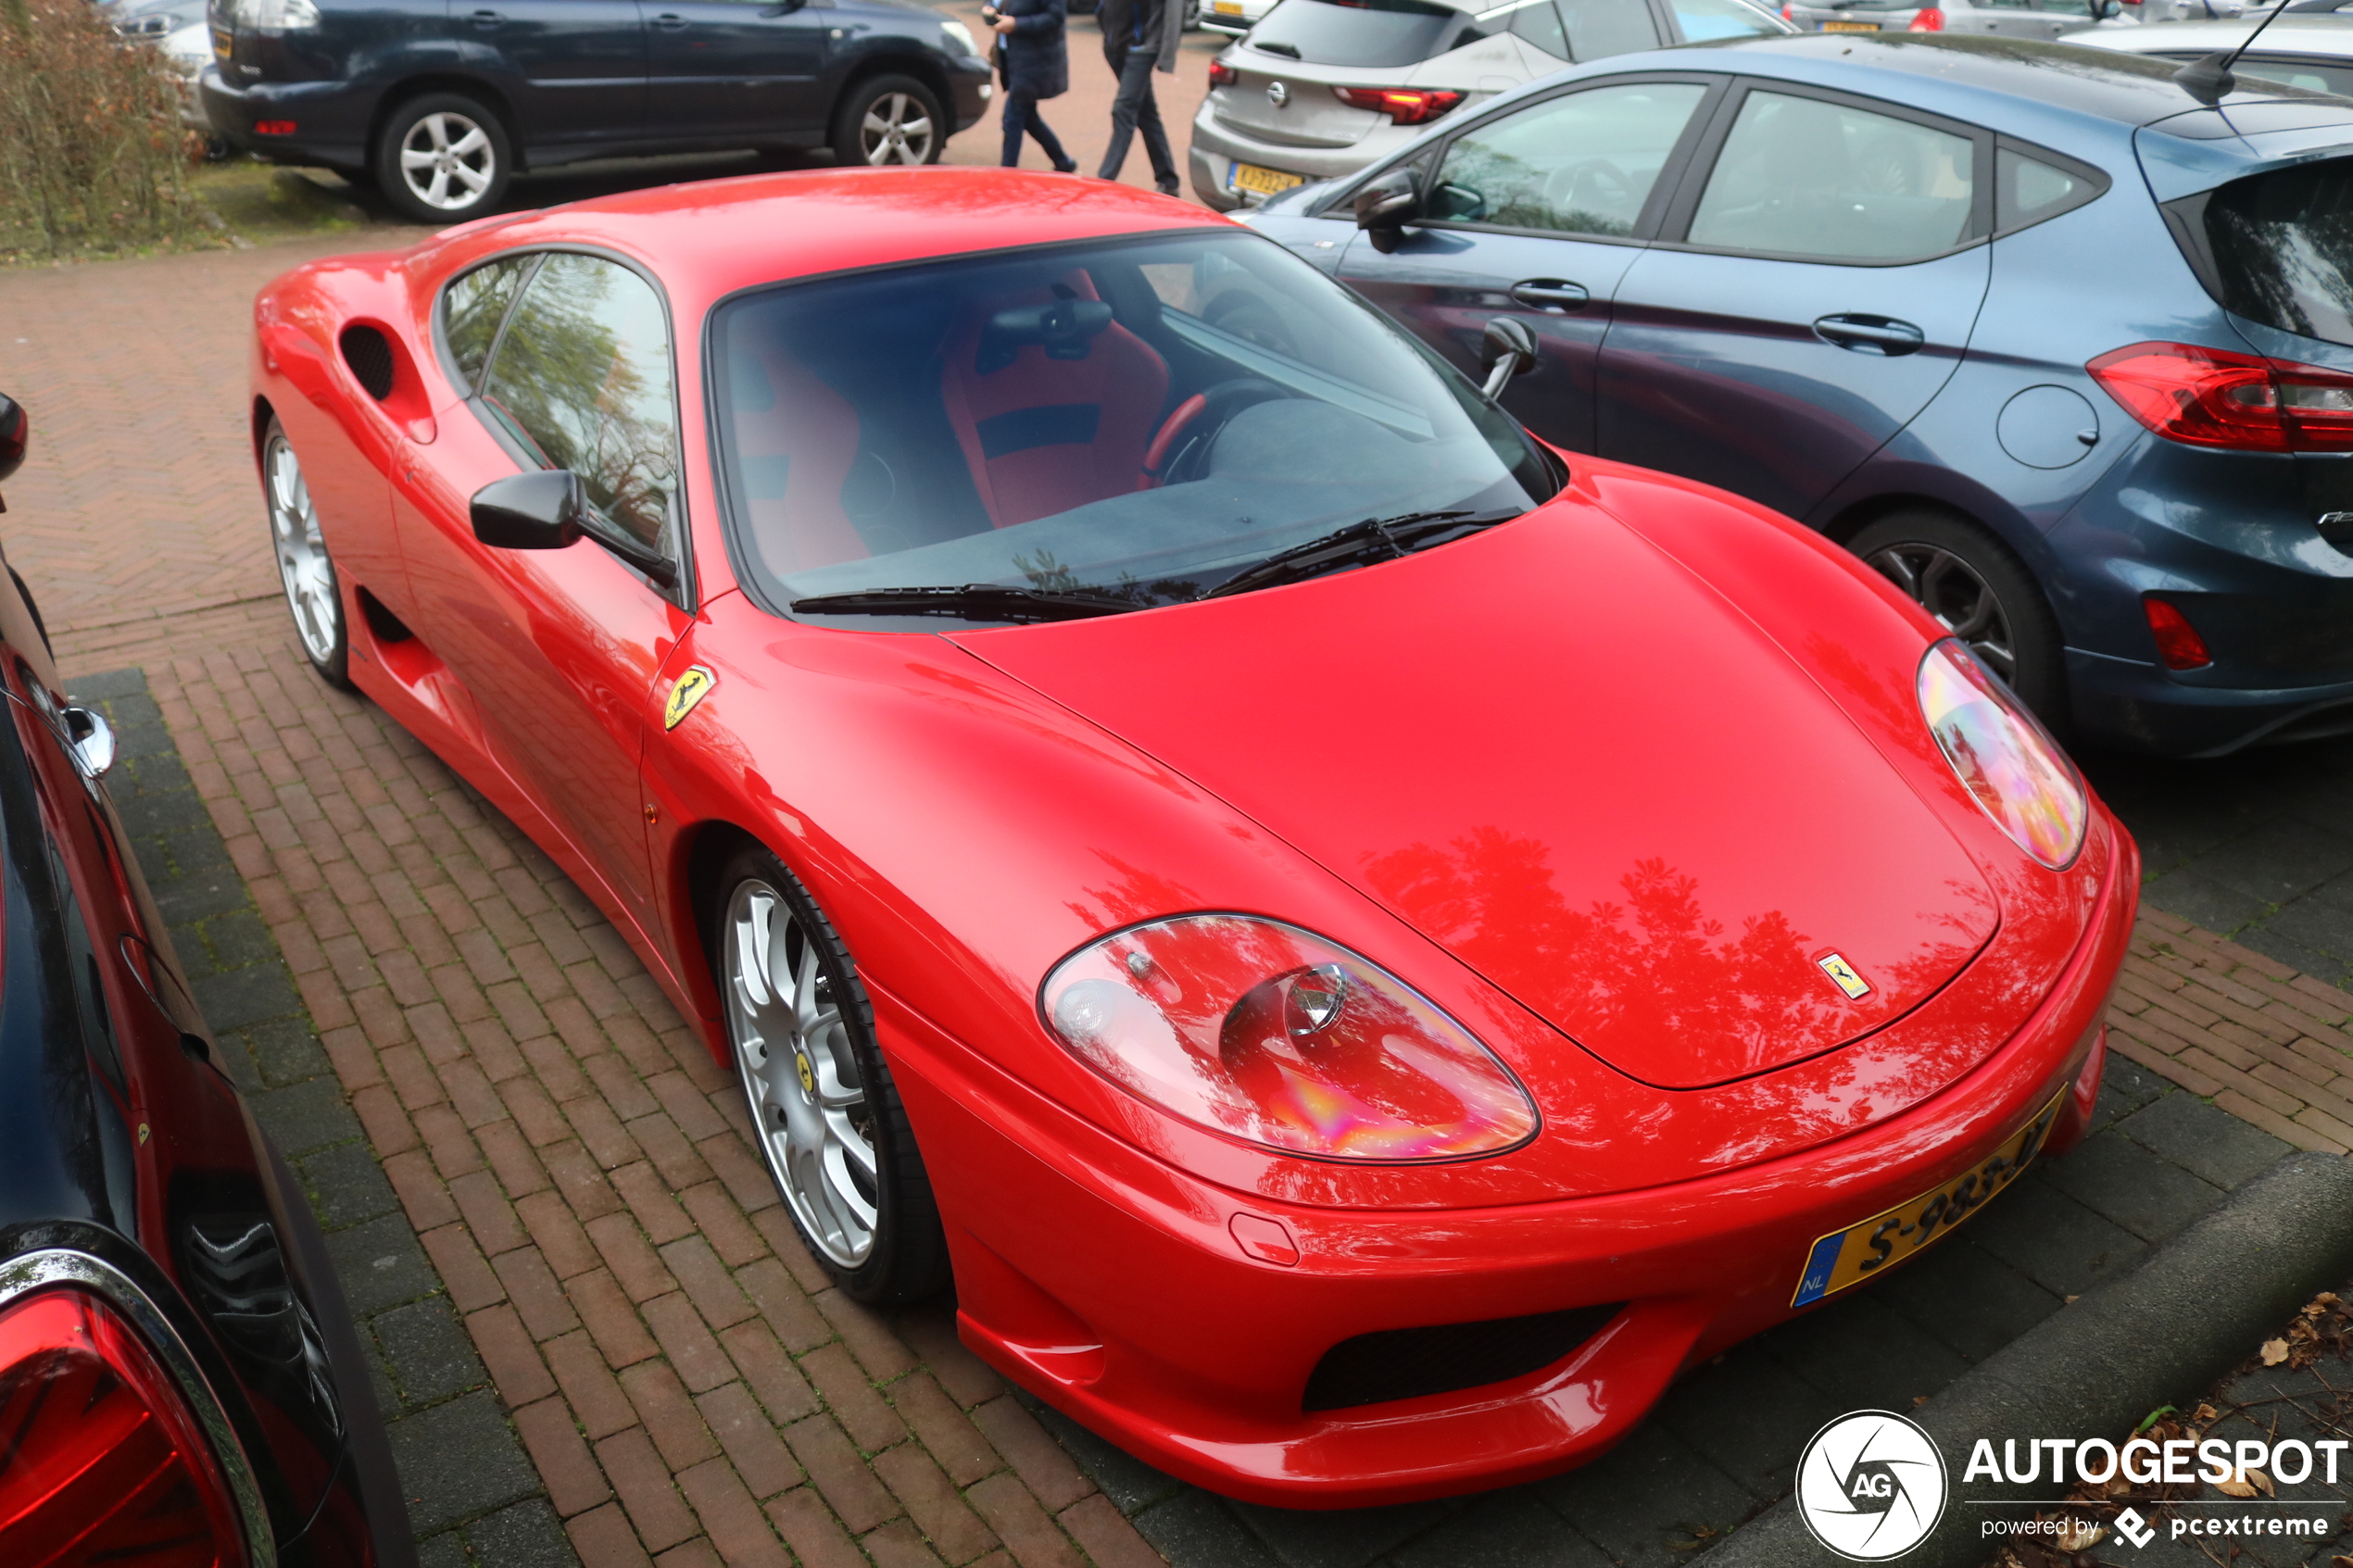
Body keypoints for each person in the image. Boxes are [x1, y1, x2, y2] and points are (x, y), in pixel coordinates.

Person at [1096, 0, 1184, 195]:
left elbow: (1175, 7)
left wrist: (1166, 55)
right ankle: (1168, 179)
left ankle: (1104, 181)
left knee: (1123, 109)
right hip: (1114, 44)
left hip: (1142, 47)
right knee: (1146, 112)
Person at [989, 0, 1077, 172]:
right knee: (1028, 117)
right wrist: (990, 9)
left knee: (1012, 118)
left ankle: (1007, 174)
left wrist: (1017, 24)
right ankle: (1063, 162)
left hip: (1034, 60)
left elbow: (1055, 16)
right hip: (1011, 57)